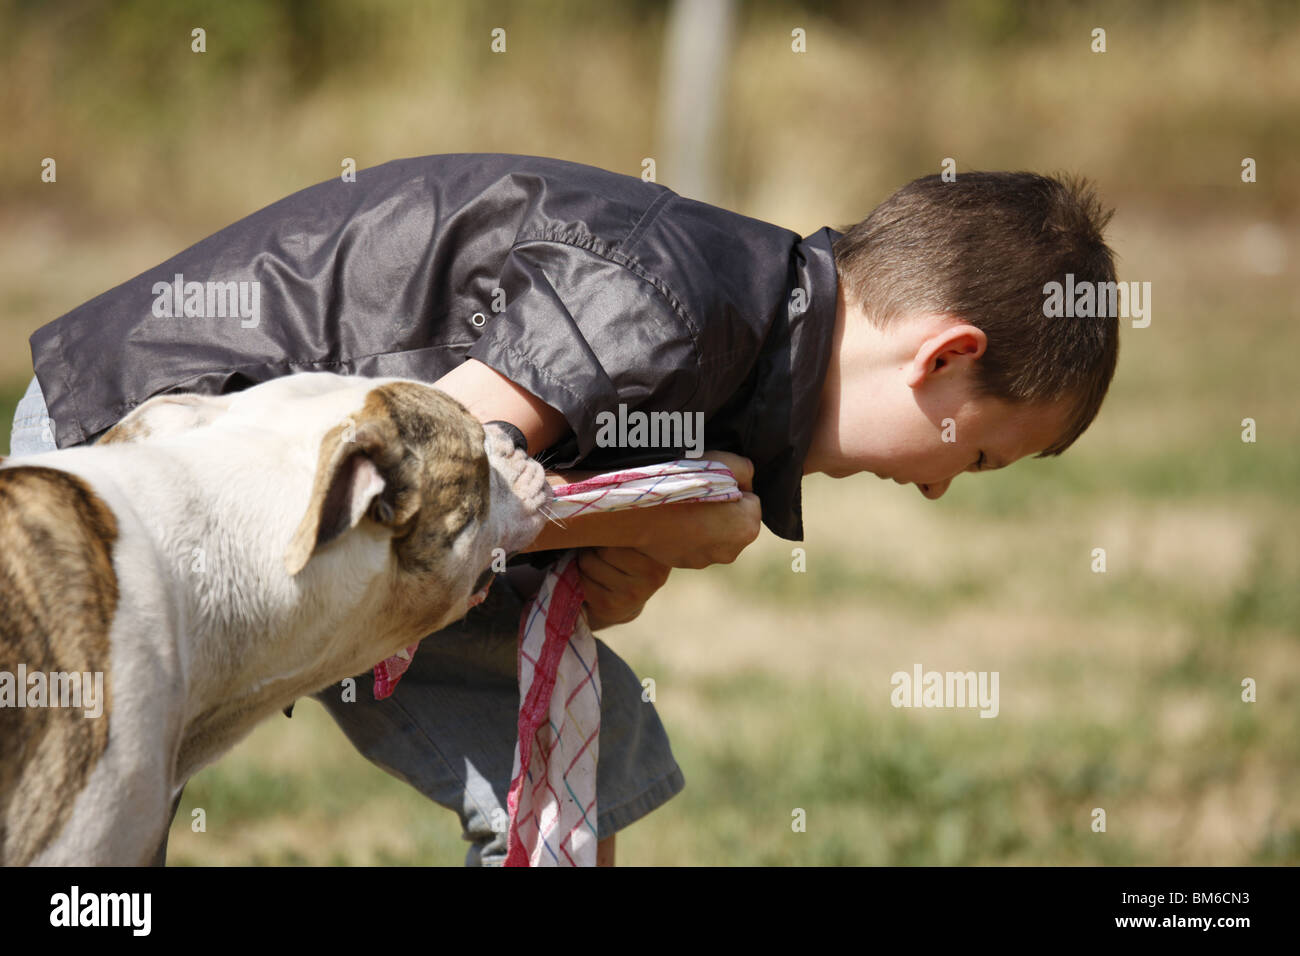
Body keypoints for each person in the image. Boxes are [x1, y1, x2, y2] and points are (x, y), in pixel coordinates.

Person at [11, 155, 1118, 865]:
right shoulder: (677, 295)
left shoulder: (742, 354)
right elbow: (429, 465)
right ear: (943, 355)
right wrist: (633, 526)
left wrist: (598, 559)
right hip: (139, 473)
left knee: (582, 751)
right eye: (968, 456)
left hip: (331, 523)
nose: (932, 486)